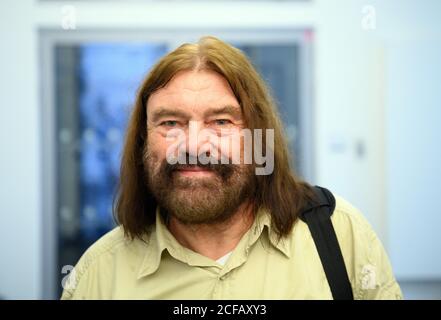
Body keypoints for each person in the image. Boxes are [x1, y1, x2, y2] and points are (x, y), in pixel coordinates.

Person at [61, 36, 402, 300]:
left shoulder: (338, 235)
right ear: (142, 142)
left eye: (221, 121)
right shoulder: (99, 274)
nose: (194, 146)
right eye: (170, 123)